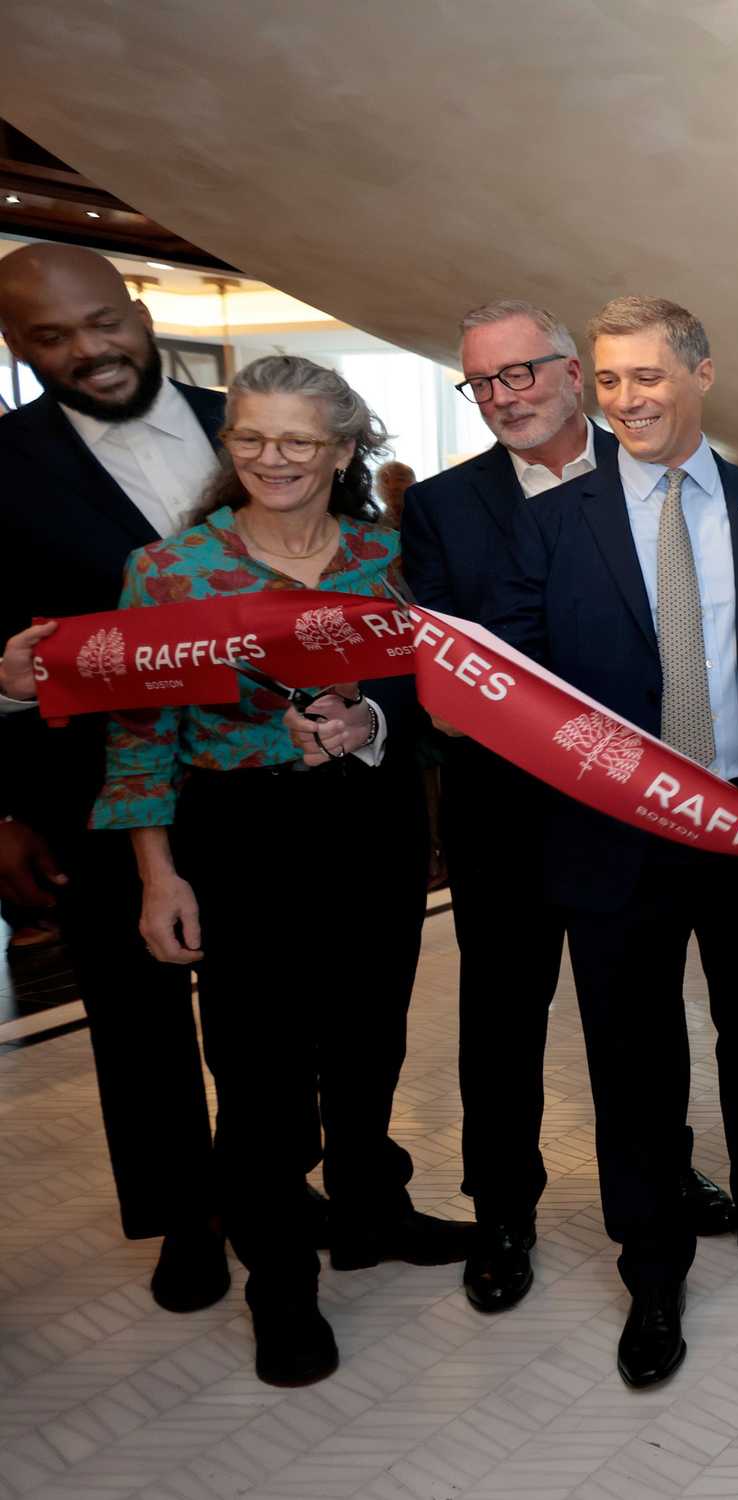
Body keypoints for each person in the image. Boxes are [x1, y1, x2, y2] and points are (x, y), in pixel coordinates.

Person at [88, 354, 472, 1386]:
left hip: (374, 828)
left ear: (345, 450)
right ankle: (280, 1281)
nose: (272, 458)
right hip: (240, 836)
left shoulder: (393, 563)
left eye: (298, 440)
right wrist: (158, 877)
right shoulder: (168, 572)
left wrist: (374, 718)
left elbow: (447, 713)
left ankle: (370, 1211)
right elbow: (138, 736)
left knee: (369, 1037)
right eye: (250, 438)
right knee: (257, 1070)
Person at [485, 295, 738, 1391]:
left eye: (650, 378)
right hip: (611, 837)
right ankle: (652, 1261)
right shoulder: (547, 528)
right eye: (611, 379)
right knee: (631, 1055)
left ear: (702, 375)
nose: (627, 400)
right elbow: (521, 695)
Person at [0, 242, 236, 1314]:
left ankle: (281, 1179)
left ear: (136, 309)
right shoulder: (1, 460)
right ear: (17, 345)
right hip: (91, 789)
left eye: (101, 321)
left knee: (271, 1001)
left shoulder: (251, 415)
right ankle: (183, 1219)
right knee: (137, 1020)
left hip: (263, 779)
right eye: (50, 337)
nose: (87, 351)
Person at [400, 300, 640, 1318]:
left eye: (521, 375)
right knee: (501, 1025)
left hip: (629, 813)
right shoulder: (443, 510)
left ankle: (657, 1182)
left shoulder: (650, 481)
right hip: (502, 816)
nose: (503, 398)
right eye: (482, 384)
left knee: (634, 1021)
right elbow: (451, 660)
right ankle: (502, 1212)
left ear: (574, 373)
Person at [373, 460, 415, 526]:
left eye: (400, 479)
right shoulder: (373, 524)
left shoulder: (429, 516)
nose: (392, 486)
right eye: (386, 481)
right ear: (377, 489)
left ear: (415, 484)